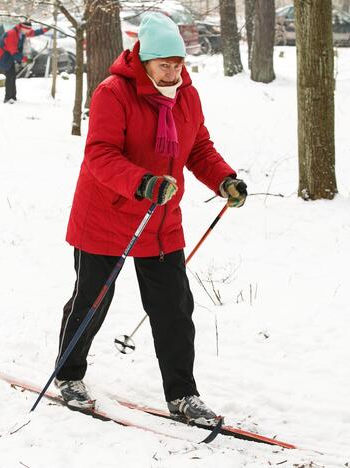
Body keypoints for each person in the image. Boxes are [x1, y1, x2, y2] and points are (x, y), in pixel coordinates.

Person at [54, 13, 248, 427]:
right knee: (92, 301)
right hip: (106, 215)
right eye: (164, 64)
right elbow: (100, 155)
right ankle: (69, 376)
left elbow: (199, 149)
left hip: (160, 220)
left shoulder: (187, 96)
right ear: (143, 60)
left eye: (178, 63)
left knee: (174, 310)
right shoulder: (114, 93)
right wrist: (142, 183)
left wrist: (224, 179)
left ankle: (183, 394)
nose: (173, 71)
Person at [0, 21, 47, 103]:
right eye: (27, 30)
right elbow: (13, 51)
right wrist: (25, 60)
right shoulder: (11, 34)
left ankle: (13, 97)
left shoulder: (21, 33)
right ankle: (8, 98)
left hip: (9, 56)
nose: (29, 32)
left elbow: (33, 33)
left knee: (12, 76)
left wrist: (46, 29)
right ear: (23, 28)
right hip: (3, 57)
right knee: (10, 77)